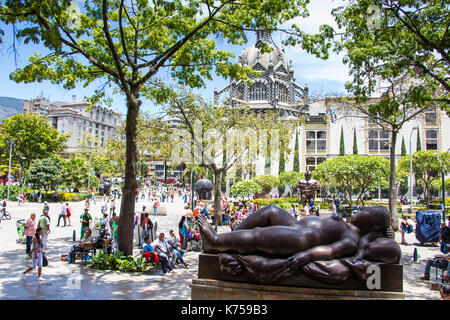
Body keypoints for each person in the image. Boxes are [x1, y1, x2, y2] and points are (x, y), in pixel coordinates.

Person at [198, 205, 400, 281]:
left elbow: (330, 250)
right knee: (271, 210)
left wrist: (307, 255)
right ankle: (227, 242)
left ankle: (215, 242)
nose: (359, 211)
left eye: (365, 212)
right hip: (297, 226)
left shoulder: (353, 238)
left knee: (258, 235)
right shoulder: (350, 229)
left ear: (373, 227)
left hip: (299, 239)